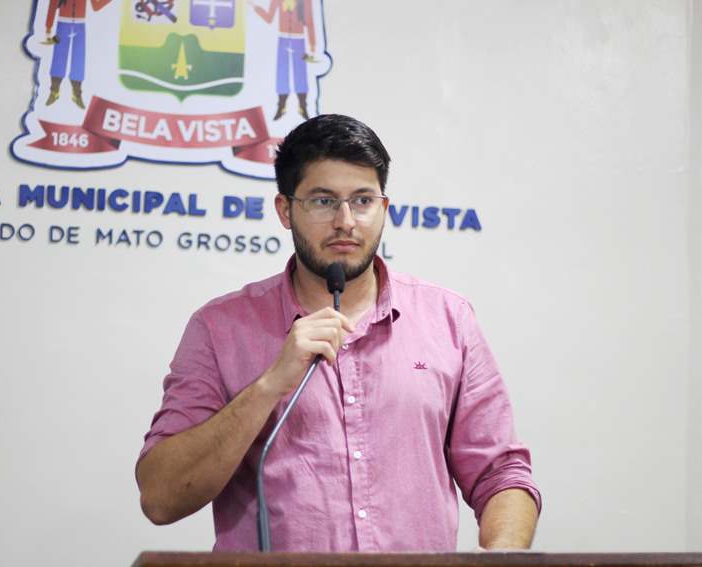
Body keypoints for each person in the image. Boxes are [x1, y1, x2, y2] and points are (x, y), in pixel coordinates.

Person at [136, 114, 541, 552]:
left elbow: (501, 475)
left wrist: (501, 559)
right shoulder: (219, 328)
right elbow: (161, 498)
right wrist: (271, 384)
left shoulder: (449, 320)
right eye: (323, 201)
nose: (346, 221)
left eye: (363, 200)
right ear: (285, 210)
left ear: (383, 209)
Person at [251, 0, 316, 120]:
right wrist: (256, 8)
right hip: (283, 39)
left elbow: (309, 21)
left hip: (299, 40)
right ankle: (281, 106)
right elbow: (269, 17)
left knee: (300, 74)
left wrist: (312, 44)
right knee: (282, 74)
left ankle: (303, 105)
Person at [43, 0, 112, 109]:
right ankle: (54, 91)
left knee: (78, 58)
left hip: (80, 25)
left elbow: (96, 6)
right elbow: (53, 5)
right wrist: (48, 26)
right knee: (59, 57)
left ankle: (76, 94)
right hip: (63, 24)